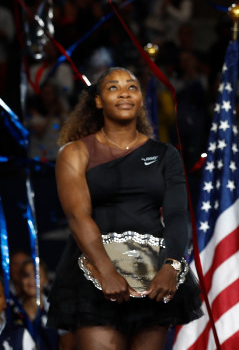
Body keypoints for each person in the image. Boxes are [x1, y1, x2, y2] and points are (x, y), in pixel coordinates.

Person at [46, 67, 202, 349]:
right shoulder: (75, 152)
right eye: (113, 88)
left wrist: (171, 265)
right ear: (98, 101)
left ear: (140, 98)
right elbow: (77, 215)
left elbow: (178, 215)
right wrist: (106, 270)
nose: (124, 94)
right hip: (93, 275)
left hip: (152, 278)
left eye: (132, 87)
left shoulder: (166, 155)